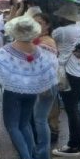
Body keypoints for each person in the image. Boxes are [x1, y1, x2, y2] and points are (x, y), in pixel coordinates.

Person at [0, 15, 57, 159]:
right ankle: (29, 157)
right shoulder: (37, 50)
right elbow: (48, 70)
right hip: (30, 92)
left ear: (15, 31)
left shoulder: (9, 49)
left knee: (12, 126)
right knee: (25, 124)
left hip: (13, 91)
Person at [52, 4, 80, 157]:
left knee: (71, 109)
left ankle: (75, 145)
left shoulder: (60, 31)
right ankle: (77, 143)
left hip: (67, 73)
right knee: (75, 108)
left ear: (63, 17)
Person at [32, 12, 60, 143]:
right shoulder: (37, 40)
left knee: (40, 119)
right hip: (39, 84)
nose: (36, 26)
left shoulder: (46, 42)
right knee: (39, 118)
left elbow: (47, 66)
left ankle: (43, 152)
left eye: (39, 23)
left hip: (45, 84)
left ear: (47, 25)